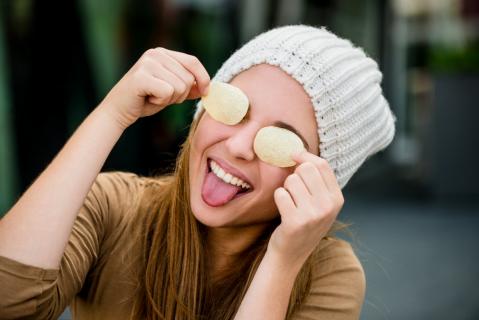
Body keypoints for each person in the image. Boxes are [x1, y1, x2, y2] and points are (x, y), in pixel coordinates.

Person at [0, 25, 395, 320]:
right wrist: (112, 115)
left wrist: (283, 259)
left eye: (281, 141)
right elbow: (9, 299)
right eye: (234, 107)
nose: (239, 147)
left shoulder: (327, 272)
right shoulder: (115, 206)